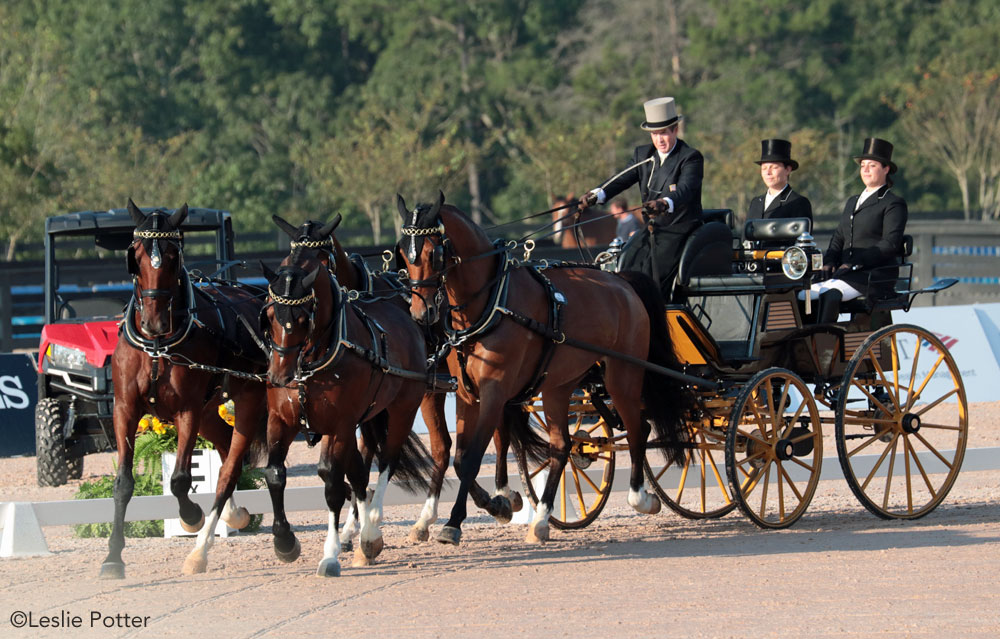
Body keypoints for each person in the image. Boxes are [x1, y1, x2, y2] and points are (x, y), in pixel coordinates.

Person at [581, 96, 704, 298]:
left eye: (663, 133)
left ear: (675, 130)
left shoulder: (690, 157)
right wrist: (598, 194)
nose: (659, 140)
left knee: (651, 275)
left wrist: (665, 203)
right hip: (651, 229)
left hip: (679, 230)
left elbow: (686, 189)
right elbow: (622, 179)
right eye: (654, 134)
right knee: (627, 265)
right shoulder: (644, 155)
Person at [803, 137, 908, 323]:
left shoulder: (893, 203)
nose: (865, 169)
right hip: (845, 273)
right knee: (804, 294)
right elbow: (839, 236)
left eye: (872, 165)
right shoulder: (852, 201)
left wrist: (856, 263)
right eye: (863, 165)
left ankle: (824, 342)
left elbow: (889, 244)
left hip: (873, 275)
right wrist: (829, 261)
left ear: (886, 169)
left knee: (830, 294)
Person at [747, 139, 812, 222]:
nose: (768, 173)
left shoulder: (798, 203)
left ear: (788, 170)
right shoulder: (756, 203)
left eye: (774, 167)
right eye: (764, 168)